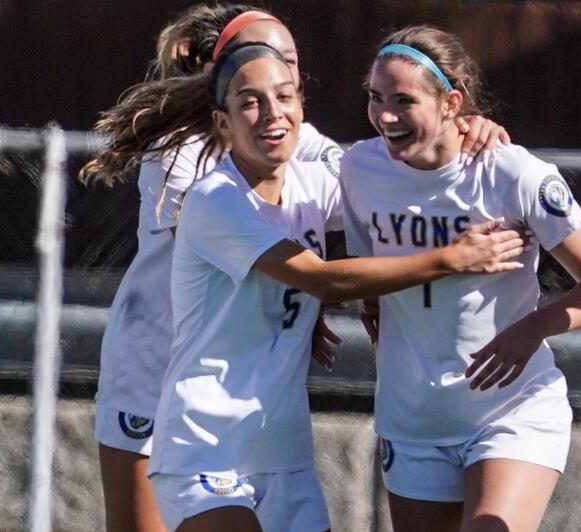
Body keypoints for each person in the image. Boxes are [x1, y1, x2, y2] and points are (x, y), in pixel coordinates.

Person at [80, 5, 509, 530]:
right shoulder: (192, 165)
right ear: (223, 90)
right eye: (255, 74)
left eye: (287, 70)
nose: (273, 90)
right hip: (165, 381)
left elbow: (388, 183)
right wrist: (435, 263)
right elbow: (298, 270)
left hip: (275, 438)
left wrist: (455, 128)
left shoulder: (298, 149)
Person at [339, 25, 581, 532]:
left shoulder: (509, 171)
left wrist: (531, 329)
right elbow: (366, 282)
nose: (385, 115)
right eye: (375, 97)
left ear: (451, 103)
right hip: (415, 417)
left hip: (510, 410)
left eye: (404, 100)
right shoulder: (358, 168)